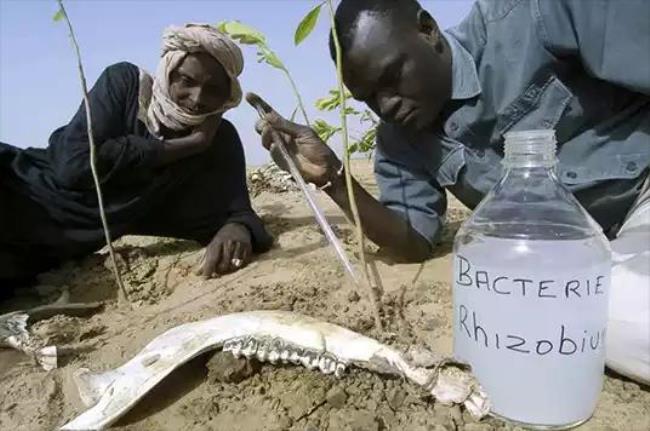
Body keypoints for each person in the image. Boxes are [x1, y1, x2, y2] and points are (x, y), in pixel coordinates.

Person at [256, 0, 650, 384]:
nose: (387, 105)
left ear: (427, 30)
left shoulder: (534, 16)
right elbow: (414, 241)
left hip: (641, 195)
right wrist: (332, 177)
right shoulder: (400, 142)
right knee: (605, 319)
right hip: (591, 256)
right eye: (369, 99)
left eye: (391, 78)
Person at [0, 23, 272, 289]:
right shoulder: (127, 85)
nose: (197, 98)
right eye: (186, 81)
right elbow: (73, 167)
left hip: (35, 252)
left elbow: (237, 212)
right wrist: (187, 145)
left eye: (213, 90)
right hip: (20, 191)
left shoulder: (218, 141)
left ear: (227, 95)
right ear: (168, 71)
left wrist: (237, 229)